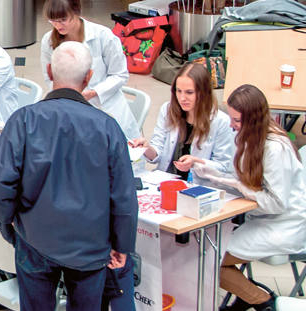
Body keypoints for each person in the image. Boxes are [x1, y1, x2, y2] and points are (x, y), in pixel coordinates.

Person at [0, 41, 138, 311]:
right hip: (91, 246)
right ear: (89, 77)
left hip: (34, 239)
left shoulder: (23, 120)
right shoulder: (108, 128)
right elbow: (124, 196)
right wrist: (122, 244)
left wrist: (8, 225)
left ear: (49, 71)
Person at [194, 85, 306, 311]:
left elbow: (276, 203)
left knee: (209, 260)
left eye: (236, 120)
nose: (231, 124)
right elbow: (238, 178)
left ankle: (263, 302)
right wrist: (208, 170)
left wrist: (235, 184)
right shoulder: (248, 137)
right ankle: (249, 296)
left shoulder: (275, 149)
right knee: (206, 253)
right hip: (260, 218)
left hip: (284, 225)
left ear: (253, 119)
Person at [40, 0, 140, 139]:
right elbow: (49, 79)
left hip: (107, 108)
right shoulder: (48, 41)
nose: (58, 25)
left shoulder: (103, 36)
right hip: (70, 110)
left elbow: (120, 75)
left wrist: (93, 93)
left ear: (76, 13)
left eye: (63, 20)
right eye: (53, 20)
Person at [129, 63, 234, 184]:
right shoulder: (167, 110)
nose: (182, 98)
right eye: (178, 91)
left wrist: (196, 163)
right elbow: (157, 154)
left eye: (189, 92)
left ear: (204, 93)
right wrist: (146, 148)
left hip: (198, 187)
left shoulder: (221, 121)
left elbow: (222, 167)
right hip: (165, 181)